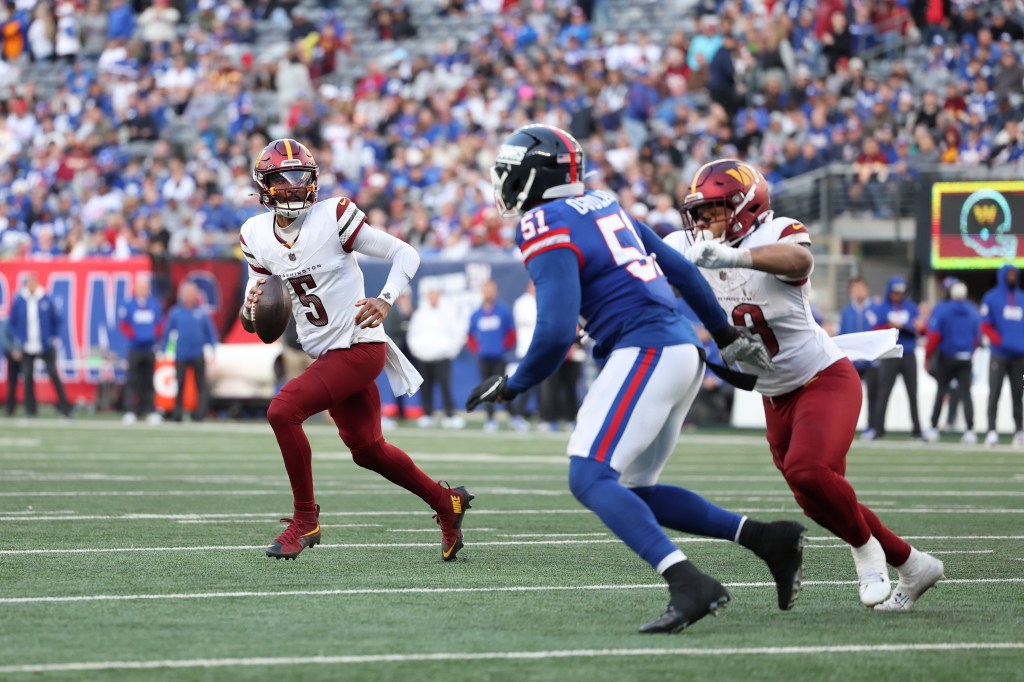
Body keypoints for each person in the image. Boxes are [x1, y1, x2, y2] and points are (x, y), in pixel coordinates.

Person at [469, 125, 805, 634]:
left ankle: (688, 582)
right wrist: (723, 336)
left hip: (645, 348)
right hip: (680, 350)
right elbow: (680, 272)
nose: (506, 184)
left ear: (535, 176)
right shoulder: (604, 202)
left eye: (512, 174)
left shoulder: (543, 220)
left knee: (588, 476)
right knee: (633, 488)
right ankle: (765, 538)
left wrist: (516, 382)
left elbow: (557, 330)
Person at [670, 158, 944, 612]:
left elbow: (801, 259)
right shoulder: (693, 243)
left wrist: (736, 257)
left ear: (743, 207)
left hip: (823, 379)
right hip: (774, 396)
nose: (701, 223)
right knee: (816, 499)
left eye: (711, 211)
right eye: (696, 214)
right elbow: (644, 259)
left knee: (808, 471)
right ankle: (913, 564)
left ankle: (865, 551)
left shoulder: (773, 232)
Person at [239, 138, 472, 561]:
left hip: (359, 346)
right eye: (282, 180)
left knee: (282, 410)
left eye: (300, 179)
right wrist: (251, 311)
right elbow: (252, 313)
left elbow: (406, 253)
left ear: (314, 182)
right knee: (368, 451)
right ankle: (446, 503)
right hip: (326, 354)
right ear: (264, 186)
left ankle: (304, 519)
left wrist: (385, 297)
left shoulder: (334, 216)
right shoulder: (255, 234)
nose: (292, 188)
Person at [8, 272, 72, 418]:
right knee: (28, 377)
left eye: (33, 282)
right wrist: (19, 340)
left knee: (54, 375)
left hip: (45, 345)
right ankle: (30, 410)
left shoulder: (46, 299)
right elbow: (12, 323)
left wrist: (53, 337)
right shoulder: (19, 300)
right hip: (27, 345)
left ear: (36, 283)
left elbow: (57, 320)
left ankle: (65, 409)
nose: (30, 286)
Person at [923, 280, 980, 444]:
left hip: (947, 357)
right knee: (966, 394)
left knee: (941, 391)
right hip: (965, 357)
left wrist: (927, 356)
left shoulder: (943, 309)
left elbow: (934, 336)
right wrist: (970, 352)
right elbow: (977, 337)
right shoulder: (972, 310)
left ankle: (933, 428)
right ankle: (970, 430)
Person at [871, 276, 925, 440]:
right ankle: (878, 429)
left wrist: (907, 327)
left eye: (901, 292)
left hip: (908, 354)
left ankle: (917, 429)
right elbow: (875, 328)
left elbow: (921, 329)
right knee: (884, 392)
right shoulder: (882, 308)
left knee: (913, 393)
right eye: (895, 292)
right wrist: (889, 326)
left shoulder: (911, 307)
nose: (898, 295)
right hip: (890, 354)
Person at [406, 288, 465, 429]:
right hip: (423, 357)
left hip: (442, 356)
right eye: (430, 295)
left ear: (439, 296)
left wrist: (451, 350)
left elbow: (458, 332)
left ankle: (450, 415)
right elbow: (412, 334)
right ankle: (427, 414)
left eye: (435, 295)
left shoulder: (448, 313)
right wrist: (418, 351)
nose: (433, 298)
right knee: (426, 387)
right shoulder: (420, 314)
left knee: (445, 386)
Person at [980, 264, 1024, 446]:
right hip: (999, 354)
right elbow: (985, 325)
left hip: (1019, 356)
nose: (1012, 277)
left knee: (1018, 394)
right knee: (995, 392)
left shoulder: (1022, 297)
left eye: (1015, 274)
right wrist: (1000, 341)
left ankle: (1019, 431)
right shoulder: (991, 297)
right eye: (1010, 274)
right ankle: (991, 430)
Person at [467, 279, 519, 431]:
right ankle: (490, 419)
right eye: (486, 289)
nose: (489, 292)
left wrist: (502, 348)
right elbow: (470, 336)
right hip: (484, 359)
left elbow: (511, 333)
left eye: (492, 289)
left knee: (503, 387)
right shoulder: (477, 314)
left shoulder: (503, 311)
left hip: (499, 358)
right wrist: (479, 349)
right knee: (486, 389)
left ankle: (513, 416)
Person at [161, 281, 217, 423]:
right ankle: (177, 413)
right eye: (187, 293)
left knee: (201, 385)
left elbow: (210, 334)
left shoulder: (202, 313)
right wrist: (164, 350)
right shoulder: (176, 312)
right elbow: (168, 332)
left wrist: (211, 350)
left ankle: (200, 414)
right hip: (181, 353)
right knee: (180, 384)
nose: (190, 296)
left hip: (198, 353)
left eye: (192, 293)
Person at [118, 274, 164, 424]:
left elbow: (159, 324)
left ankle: (149, 410)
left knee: (149, 381)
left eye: (145, 287)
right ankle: (131, 410)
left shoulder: (154, 305)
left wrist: (152, 336)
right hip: (134, 348)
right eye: (140, 287)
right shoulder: (129, 305)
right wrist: (135, 336)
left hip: (149, 348)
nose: (143, 290)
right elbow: (123, 324)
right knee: (132, 381)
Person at [839, 277, 881, 439]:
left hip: (871, 361)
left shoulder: (875, 310)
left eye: (861, 288)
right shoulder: (847, 312)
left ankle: (872, 427)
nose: (859, 291)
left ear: (867, 290)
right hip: (852, 361)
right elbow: (843, 334)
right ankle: (845, 427)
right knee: (848, 396)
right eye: (855, 288)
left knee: (873, 396)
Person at [381, 289, 413, 426]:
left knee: (421, 380)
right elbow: (392, 330)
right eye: (402, 297)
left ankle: (427, 412)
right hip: (399, 350)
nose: (404, 300)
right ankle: (400, 412)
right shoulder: (393, 313)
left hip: (414, 350)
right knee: (399, 382)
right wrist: (405, 327)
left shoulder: (414, 311)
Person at [1, 311, 19, 416]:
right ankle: (10, 407)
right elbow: (4, 335)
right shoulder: (10, 320)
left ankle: (30, 408)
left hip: (25, 353)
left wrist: (21, 350)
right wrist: (13, 350)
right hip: (12, 354)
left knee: (29, 380)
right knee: (12, 381)